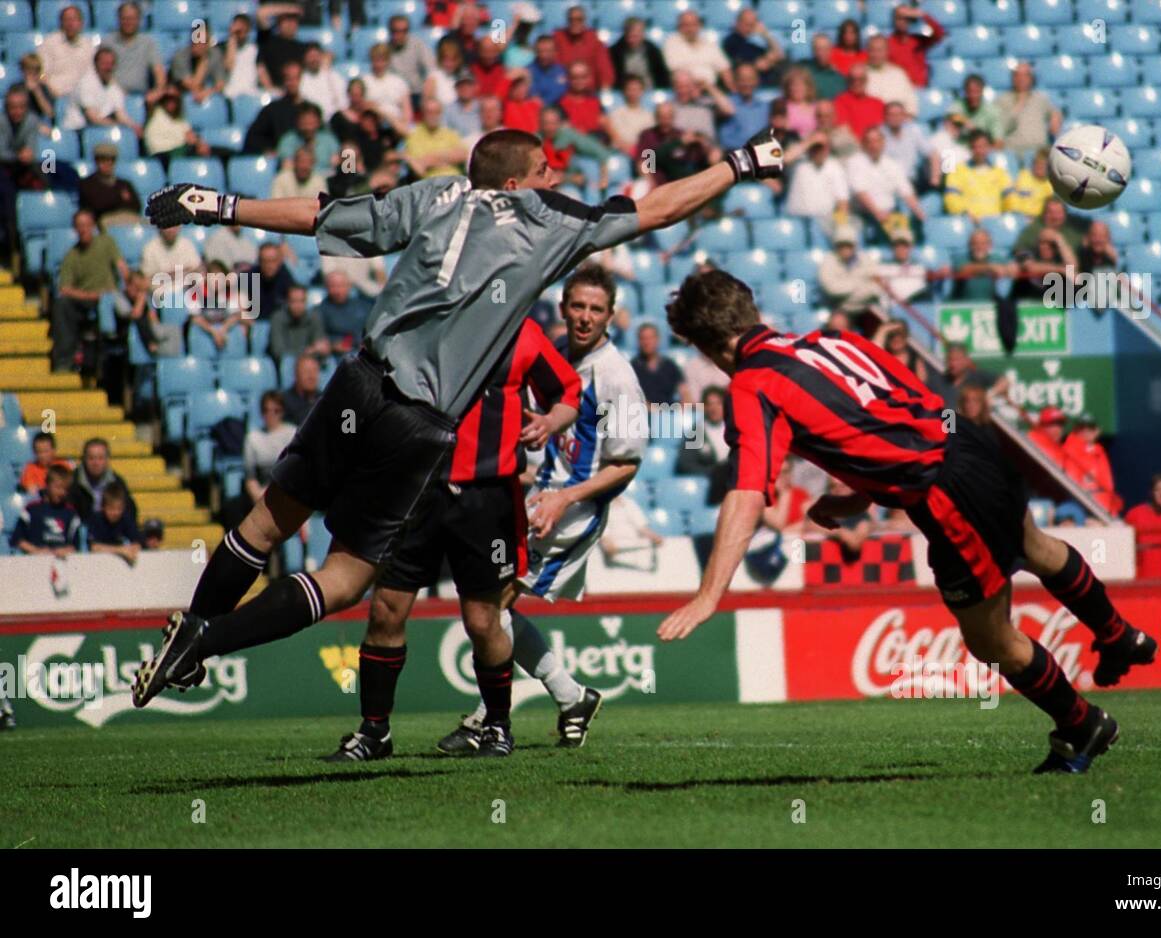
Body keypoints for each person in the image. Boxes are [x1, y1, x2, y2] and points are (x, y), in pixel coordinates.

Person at [131, 123, 785, 716]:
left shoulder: (434, 195)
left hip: (357, 382)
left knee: (263, 524)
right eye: (544, 171)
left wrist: (218, 204)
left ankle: (189, 630)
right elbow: (660, 207)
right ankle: (205, 643)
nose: (554, 180)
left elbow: (322, 215)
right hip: (415, 425)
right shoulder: (547, 218)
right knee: (347, 578)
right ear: (514, 184)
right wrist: (742, 162)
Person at [659, 269, 1158, 773]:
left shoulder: (752, 386)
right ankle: (1119, 636)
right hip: (970, 447)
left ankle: (1082, 724)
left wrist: (708, 595)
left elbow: (746, 494)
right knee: (1038, 547)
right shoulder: (832, 340)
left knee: (991, 639)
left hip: (945, 495)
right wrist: (859, 497)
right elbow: (898, 414)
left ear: (707, 348)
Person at [329, 309, 580, 761]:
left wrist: (549, 422)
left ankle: (498, 728)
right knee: (386, 611)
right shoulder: (419, 320)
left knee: (484, 620)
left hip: (487, 498)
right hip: (411, 489)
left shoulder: (519, 329)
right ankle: (373, 733)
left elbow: (566, 394)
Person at [431, 264, 645, 757]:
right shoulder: (559, 360)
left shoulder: (618, 378)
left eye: (596, 309)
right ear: (564, 308)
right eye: (578, 306)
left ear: (611, 316)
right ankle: (571, 699)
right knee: (491, 608)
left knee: (490, 607)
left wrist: (564, 498)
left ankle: (488, 718)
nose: (585, 317)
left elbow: (626, 465)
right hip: (538, 499)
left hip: (572, 513)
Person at [51, 209, 129, 373]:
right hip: (86, 299)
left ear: (93, 226)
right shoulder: (72, 255)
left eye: (87, 225)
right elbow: (65, 288)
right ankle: (64, 360)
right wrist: (91, 295)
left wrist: (128, 284)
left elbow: (121, 266)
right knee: (61, 305)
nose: (83, 229)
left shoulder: (107, 243)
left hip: (110, 296)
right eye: (80, 226)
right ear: (75, 229)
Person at [242, 390, 297, 512]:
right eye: (266, 410)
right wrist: (259, 497)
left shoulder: (292, 433)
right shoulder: (252, 438)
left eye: (276, 410)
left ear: (282, 412)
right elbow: (250, 477)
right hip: (263, 493)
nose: (271, 414)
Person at [65, 47, 142, 135]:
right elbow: (93, 118)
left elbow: (120, 114)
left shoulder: (113, 87)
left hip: (100, 130)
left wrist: (133, 126)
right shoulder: (86, 83)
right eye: (104, 64)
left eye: (111, 64)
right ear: (96, 64)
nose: (108, 67)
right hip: (79, 130)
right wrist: (120, 126)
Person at [9, 464, 79, 557]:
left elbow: (75, 545)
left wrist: (65, 550)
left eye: (65, 489)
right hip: (34, 561)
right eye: (58, 487)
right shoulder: (32, 509)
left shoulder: (71, 513)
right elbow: (17, 539)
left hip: (61, 562)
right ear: (47, 485)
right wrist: (36, 551)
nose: (61, 493)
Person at [103, 2, 166, 104]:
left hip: (141, 97)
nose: (128, 22)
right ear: (118, 19)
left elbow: (158, 70)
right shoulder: (108, 43)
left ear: (139, 20)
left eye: (132, 18)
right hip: (112, 96)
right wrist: (116, 90)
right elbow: (102, 72)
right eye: (125, 18)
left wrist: (158, 90)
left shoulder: (148, 43)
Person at [943, 130, 1012, 222]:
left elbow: (1010, 197)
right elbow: (951, 198)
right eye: (976, 147)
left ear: (990, 147)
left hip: (996, 222)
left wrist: (1009, 213)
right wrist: (965, 214)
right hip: (969, 223)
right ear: (970, 148)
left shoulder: (1000, 172)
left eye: (983, 146)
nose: (980, 151)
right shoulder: (957, 171)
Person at [996, 63, 1060, 161]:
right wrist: (1018, 106)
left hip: (1040, 154)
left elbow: (1055, 112)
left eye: (1025, 75)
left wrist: (1055, 117)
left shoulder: (1040, 99)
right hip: (1015, 153)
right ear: (1013, 78)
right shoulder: (1002, 100)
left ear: (1031, 78)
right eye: (1017, 75)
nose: (1021, 79)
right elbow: (1001, 128)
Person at [1062, 414, 1121, 515]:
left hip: (1100, 506)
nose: (1086, 432)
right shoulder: (1070, 448)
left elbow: (1107, 483)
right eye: (1082, 428)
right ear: (1076, 430)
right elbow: (1073, 484)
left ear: (1096, 430)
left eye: (1090, 428)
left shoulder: (1098, 450)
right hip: (1079, 504)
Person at [818, 224, 881, 320]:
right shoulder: (828, 260)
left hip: (864, 308)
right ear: (836, 246)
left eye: (848, 245)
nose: (845, 248)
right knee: (838, 322)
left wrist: (848, 290)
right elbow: (832, 290)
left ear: (854, 245)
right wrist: (860, 283)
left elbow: (877, 288)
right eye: (841, 245)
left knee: (886, 324)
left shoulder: (866, 259)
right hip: (839, 309)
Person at [244, 61, 305, 154]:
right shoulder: (272, 110)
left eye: (296, 78)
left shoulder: (309, 110)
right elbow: (253, 137)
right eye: (289, 79)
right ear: (283, 81)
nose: (292, 83)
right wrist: (268, 149)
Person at [664, 10, 733, 91]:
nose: (690, 29)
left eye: (694, 24)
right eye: (686, 25)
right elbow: (675, 71)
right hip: (686, 90)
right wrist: (700, 83)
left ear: (699, 26)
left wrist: (732, 88)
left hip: (711, 90)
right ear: (679, 26)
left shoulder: (709, 44)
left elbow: (725, 69)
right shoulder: (672, 42)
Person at [70, 437, 136, 522]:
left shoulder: (116, 482)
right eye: (91, 458)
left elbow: (130, 510)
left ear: (107, 460)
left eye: (100, 458)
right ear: (84, 459)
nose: (96, 463)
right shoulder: (73, 482)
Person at [39, 4, 95, 99]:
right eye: (67, 20)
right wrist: (51, 91)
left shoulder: (89, 46)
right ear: (61, 23)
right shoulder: (49, 43)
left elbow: (93, 75)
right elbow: (41, 74)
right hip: (54, 96)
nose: (70, 24)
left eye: (74, 20)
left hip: (82, 98)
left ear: (81, 23)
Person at [552, 4, 615, 90]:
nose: (574, 23)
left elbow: (604, 69)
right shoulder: (558, 38)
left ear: (585, 20)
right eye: (571, 19)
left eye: (579, 19)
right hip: (564, 90)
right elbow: (554, 66)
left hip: (589, 92)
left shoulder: (594, 40)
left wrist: (605, 86)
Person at [402, 98, 467, 178]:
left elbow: (463, 155)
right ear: (423, 113)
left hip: (454, 181)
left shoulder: (449, 133)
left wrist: (435, 157)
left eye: (437, 112)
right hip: (430, 185)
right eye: (429, 112)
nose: (433, 116)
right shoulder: (414, 135)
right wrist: (448, 158)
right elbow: (420, 168)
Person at [144, 85, 212, 161]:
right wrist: (167, 92)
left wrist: (200, 144)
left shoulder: (181, 119)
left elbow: (190, 136)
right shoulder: (155, 111)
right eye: (168, 99)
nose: (171, 102)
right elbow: (149, 98)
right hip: (160, 153)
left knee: (218, 152)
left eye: (175, 99)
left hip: (179, 151)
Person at [76, 142, 137, 224]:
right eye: (103, 160)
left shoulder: (124, 184)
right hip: (103, 221)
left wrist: (110, 200)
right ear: (96, 162)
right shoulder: (87, 184)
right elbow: (97, 207)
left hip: (127, 218)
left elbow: (136, 206)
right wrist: (119, 198)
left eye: (111, 160)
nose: (107, 163)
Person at [887, 4, 947, 88]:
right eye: (899, 18)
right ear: (894, 20)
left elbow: (939, 34)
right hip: (898, 89)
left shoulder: (918, 41)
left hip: (919, 89)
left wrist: (922, 15)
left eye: (907, 18)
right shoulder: (887, 43)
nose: (903, 21)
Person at [170, 19, 228, 102]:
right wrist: (204, 60)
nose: (198, 44)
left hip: (204, 94)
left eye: (203, 40)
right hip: (181, 98)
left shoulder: (215, 54)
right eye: (196, 40)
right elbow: (193, 85)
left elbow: (220, 84)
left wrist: (207, 92)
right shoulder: (179, 57)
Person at [88, 480, 143, 565]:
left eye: (119, 509)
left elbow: (137, 544)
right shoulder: (96, 520)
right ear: (103, 507)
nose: (115, 513)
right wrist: (121, 550)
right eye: (111, 509)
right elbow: (94, 548)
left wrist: (131, 549)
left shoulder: (126, 519)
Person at [722, 7, 783, 85]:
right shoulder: (730, 42)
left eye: (752, 25)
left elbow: (779, 55)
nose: (749, 28)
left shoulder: (749, 44)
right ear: (737, 23)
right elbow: (759, 64)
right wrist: (768, 60)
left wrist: (765, 34)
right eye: (747, 24)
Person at [269, 285, 330, 363]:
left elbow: (319, 346)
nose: (298, 305)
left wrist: (321, 349)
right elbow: (278, 352)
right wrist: (308, 351)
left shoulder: (314, 317)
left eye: (302, 301)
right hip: (284, 365)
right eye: (293, 301)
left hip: (310, 363)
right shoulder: (277, 318)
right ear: (287, 302)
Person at [950, 227, 1013, 303]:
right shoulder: (960, 258)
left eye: (983, 243)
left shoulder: (997, 258)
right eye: (975, 243)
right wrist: (990, 268)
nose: (979, 247)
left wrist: (1009, 269)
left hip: (990, 305)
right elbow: (963, 270)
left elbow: (1010, 268)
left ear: (990, 245)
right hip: (962, 306)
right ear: (969, 245)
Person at [940, 341, 1007, 410]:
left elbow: (1004, 381)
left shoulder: (977, 377)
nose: (953, 364)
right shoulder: (941, 380)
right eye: (950, 360)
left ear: (966, 360)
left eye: (957, 360)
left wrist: (990, 395)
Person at [632, 322, 688, 405]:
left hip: (669, 413)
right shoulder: (632, 368)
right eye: (643, 338)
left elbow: (684, 392)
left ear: (657, 339)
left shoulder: (670, 366)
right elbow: (632, 398)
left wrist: (684, 405)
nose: (647, 342)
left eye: (650, 338)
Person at [609, 16, 670, 90]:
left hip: (649, 91)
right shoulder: (614, 52)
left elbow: (663, 77)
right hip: (625, 92)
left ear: (643, 34)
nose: (633, 40)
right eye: (630, 36)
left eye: (636, 36)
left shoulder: (653, 51)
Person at [316, 271, 370, 353]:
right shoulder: (318, 311)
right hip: (333, 354)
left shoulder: (363, 307)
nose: (337, 291)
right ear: (326, 287)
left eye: (341, 286)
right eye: (333, 286)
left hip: (360, 351)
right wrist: (333, 345)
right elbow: (319, 338)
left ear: (349, 286)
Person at [864, 36, 916, 118]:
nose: (876, 54)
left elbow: (911, 106)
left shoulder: (899, 74)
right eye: (872, 50)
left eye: (880, 50)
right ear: (867, 51)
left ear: (887, 51)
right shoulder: (860, 75)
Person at [834, 63, 885, 140]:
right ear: (848, 80)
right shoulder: (840, 101)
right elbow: (843, 131)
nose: (856, 83)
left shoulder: (878, 103)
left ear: (866, 80)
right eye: (852, 79)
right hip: (854, 147)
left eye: (861, 79)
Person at [948, 74, 1001, 145]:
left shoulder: (992, 111)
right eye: (970, 91)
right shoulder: (959, 105)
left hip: (981, 151)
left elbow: (998, 140)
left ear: (982, 91)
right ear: (965, 92)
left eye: (976, 92)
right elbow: (951, 116)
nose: (973, 95)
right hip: (960, 149)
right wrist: (965, 123)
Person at [1004, 147, 1054, 220]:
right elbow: (1010, 196)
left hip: (1035, 221)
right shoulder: (1021, 176)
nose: (1039, 166)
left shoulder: (1050, 187)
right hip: (1014, 215)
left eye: (1043, 165)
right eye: (1037, 163)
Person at [281, 354, 323, 426]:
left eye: (314, 371)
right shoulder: (283, 402)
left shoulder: (324, 399)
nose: (311, 376)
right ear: (296, 374)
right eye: (306, 371)